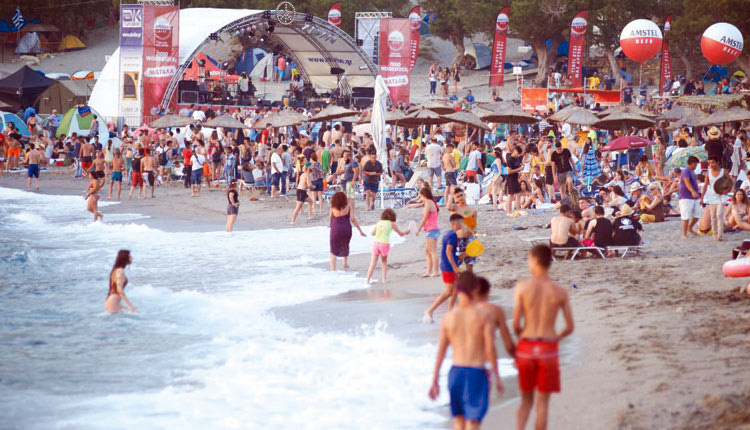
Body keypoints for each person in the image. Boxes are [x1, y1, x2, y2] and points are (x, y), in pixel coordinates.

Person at [428, 271, 503, 430]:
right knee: (473, 422)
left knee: (459, 421)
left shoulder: (448, 318)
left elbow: (441, 352)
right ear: (476, 289)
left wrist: (434, 380)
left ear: (457, 290)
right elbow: (489, 348)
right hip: (476, 372)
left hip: (455, 374)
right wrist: (496, 375)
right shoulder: (483, 316)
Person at [513, 245, 574, 430]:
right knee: (542, 405)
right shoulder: (559, 291)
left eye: (529, 259)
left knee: (525, 402)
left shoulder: (522, 287)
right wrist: (555, 337)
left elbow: (515, 324)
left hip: (526, 347)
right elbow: (569, 327)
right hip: (548, 347)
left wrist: (522, 336)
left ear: (535, 261)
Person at [422, 214, 464, 323]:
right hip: (448, 267)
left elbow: (452, 251)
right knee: (449, 291)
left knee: (455, 290)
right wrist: (455, 267)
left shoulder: (449, 234)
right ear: (456, 223)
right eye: (461, 222)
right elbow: (448, 251)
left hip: (450, 265)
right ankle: (430, 310)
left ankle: (450, 313)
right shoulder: (452, 235)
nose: (462, 224)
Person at [365, 208, 408, 284]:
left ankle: (367, 281)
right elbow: (400, 234)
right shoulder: (391, 224)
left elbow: (372, 233)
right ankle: (384, 280)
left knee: (372, 263)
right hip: (384, 244)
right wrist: (407, 232)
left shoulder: (379, 223)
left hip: (375, 243)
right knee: (384, 262)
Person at [329, 191, 366, 271]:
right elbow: (352, 219)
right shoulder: (348, 207)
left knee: (333, 249)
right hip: (346, 228)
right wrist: (360, 230)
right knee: (345, 244)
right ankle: (345, 263)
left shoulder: (333, 207)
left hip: (336, 228)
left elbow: (330, 218)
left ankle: (333, 269)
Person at [415, 187, 441, 278]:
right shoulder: (430, 202)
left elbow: (425, 217)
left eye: (421, 196)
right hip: (430, 229)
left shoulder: (429, 203)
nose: (421, 198)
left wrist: (418, 228)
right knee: (428, 251)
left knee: (433, 251)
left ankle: (436, 271)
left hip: (432, 229)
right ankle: (428, 271)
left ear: (423, 195)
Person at [701, 155, 728, 241]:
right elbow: (705, 185)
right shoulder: (708, 173)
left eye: (712, 162)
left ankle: (720, 235)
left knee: (719, 215)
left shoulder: (723, 172)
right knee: (713, 217)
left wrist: (727, 190)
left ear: (717, 162)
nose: (711, 164)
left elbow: (731, 181)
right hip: (712, 197)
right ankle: (715, 235)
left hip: (721, 196)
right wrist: (702, 197)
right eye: (709, 163)